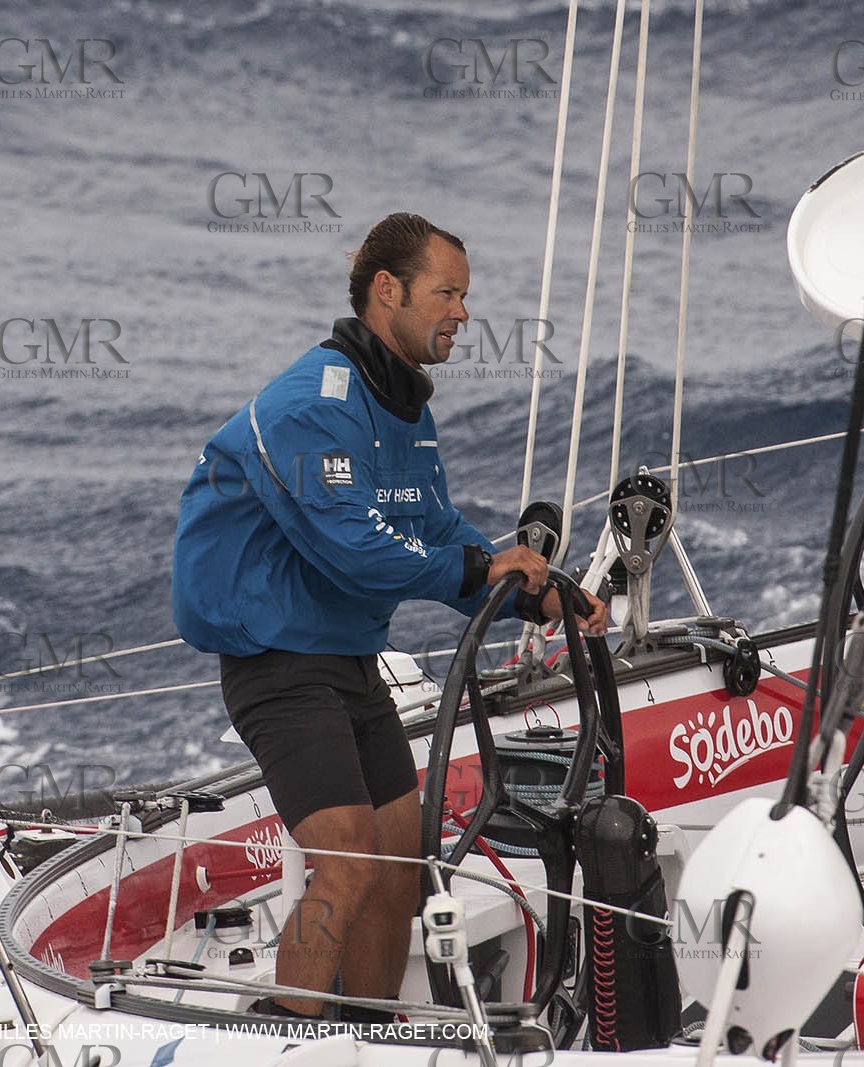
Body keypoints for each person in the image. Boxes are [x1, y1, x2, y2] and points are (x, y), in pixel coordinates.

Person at [171, 212, 607, 1020]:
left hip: (347, 659)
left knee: (402, 857)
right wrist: (484, 565)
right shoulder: (313, 404)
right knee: (343, 859)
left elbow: (435, 533)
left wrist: (537, 593)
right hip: (277, 662)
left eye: (465, 296)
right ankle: (291, 1032)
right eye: (447, 293)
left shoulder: (403, 407)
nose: (463, 313)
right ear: (387, 291)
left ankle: (370, 1030)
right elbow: (356, 548)